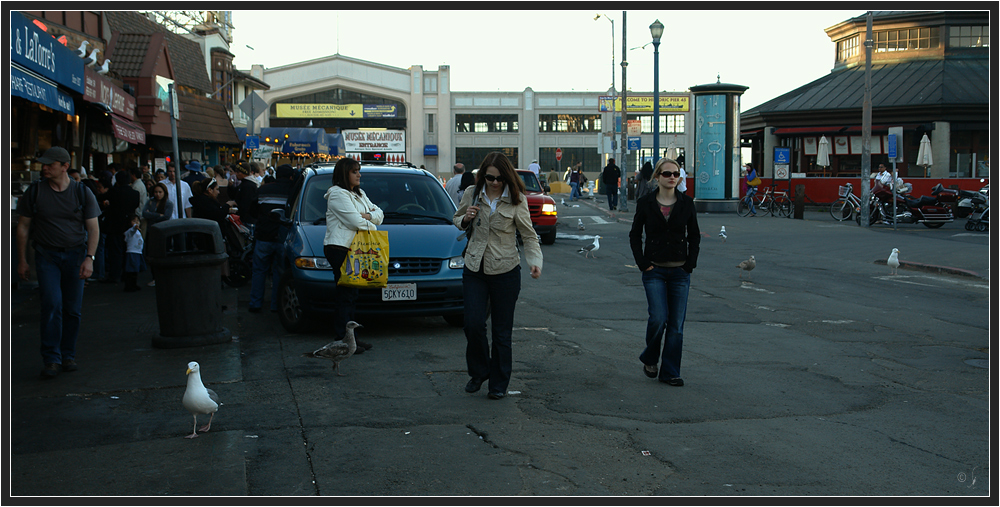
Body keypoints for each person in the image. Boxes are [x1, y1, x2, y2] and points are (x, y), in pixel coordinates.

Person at [453, 151, 543, 400]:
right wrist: (465, 218)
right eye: (490, 177)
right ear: (483, 175)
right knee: (472, 324)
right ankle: (480, 372)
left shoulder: (517, 200)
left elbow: (528, 234)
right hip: (474, 267)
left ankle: (499, 383)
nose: (494, 182)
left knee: (502, 333)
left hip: (505, 270)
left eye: (500, 178)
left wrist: (534, 261)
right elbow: (457, 218)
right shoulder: (472, 193)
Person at [15, 147, 102, 380]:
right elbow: (22, 227)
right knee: (51, 304)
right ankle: (51, 358)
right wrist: (22, 260)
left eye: (49, 164)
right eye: (43, 164)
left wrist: (89, 259)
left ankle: (68, 355)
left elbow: (93, 228)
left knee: (72, 309)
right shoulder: (35, 192)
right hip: (47, 256)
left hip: (76, 256)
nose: (44, 167)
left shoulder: (82, 193)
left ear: (64, 166)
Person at [629, 157, 700, 387]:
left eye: (676, 174)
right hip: (654, 270)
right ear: (657, 177)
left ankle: (670, 372)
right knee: (659, 318)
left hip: (680, 272)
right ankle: (650, 357)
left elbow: (695, 236)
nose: (672, 177)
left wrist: (690, 264)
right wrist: (642, 263)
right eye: (667, 173)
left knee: (676, 326)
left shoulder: (687, 203)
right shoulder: (646, 203)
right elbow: (634, 235)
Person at [323, 157, 383, 349]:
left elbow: (380, 213)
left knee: (352, 295)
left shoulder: (359, 193)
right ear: (344, 173)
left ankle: (351, 339)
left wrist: (368, 216)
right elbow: (354, 222)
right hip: (340, 248)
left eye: (359, 170)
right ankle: (342, 339)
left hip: (356, 249)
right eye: (354, 171)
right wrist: (369, 220)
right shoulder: (337, 194)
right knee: (346, 295)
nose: (359, 174)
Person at [248, 164, 296, 314]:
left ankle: (255, 303)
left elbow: (253, 210)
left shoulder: (263, 190)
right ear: (290, 177)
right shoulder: (293, 192)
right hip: (283, 237)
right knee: (279, 272)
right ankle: (276, 305)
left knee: (259, 271)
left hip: (264, 235)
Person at [103, 170, 140, 284]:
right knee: (127, 250)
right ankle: (126, 273)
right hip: (129, 224)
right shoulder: (135, 193)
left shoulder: (113, 192)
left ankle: (115, 275)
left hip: (114, 224)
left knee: (115, 252)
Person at [141, 182, 175, 287]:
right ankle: (155, 277)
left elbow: (166, 217)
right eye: (156, 192)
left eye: (160, 192)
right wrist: (157, 215)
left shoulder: (168, 203)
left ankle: (165, 276)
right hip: (151, 232)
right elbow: (144, 213)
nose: (158, 194)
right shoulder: (150, 202)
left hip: (164, 232)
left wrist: (152, 216)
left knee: (164, 255)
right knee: (152, 255)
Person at [229, 161, 258, 228]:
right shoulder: (243, 184)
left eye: (238, 172)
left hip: (247, 220)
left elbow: (246, 203)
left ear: (244, 173)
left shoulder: (248, 186)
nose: (236, 174)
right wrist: (231, 187)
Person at [122, 214, 145, 292]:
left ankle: (134, 284)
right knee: (130, 271)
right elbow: (132, 230)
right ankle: (129, 285)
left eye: (137, 221)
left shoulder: (138, 232)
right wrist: (134, 227)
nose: (136, 223)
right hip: (132, 252)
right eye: (134, 221)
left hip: (137, 253)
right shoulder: (129, 232)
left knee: (135, 271)